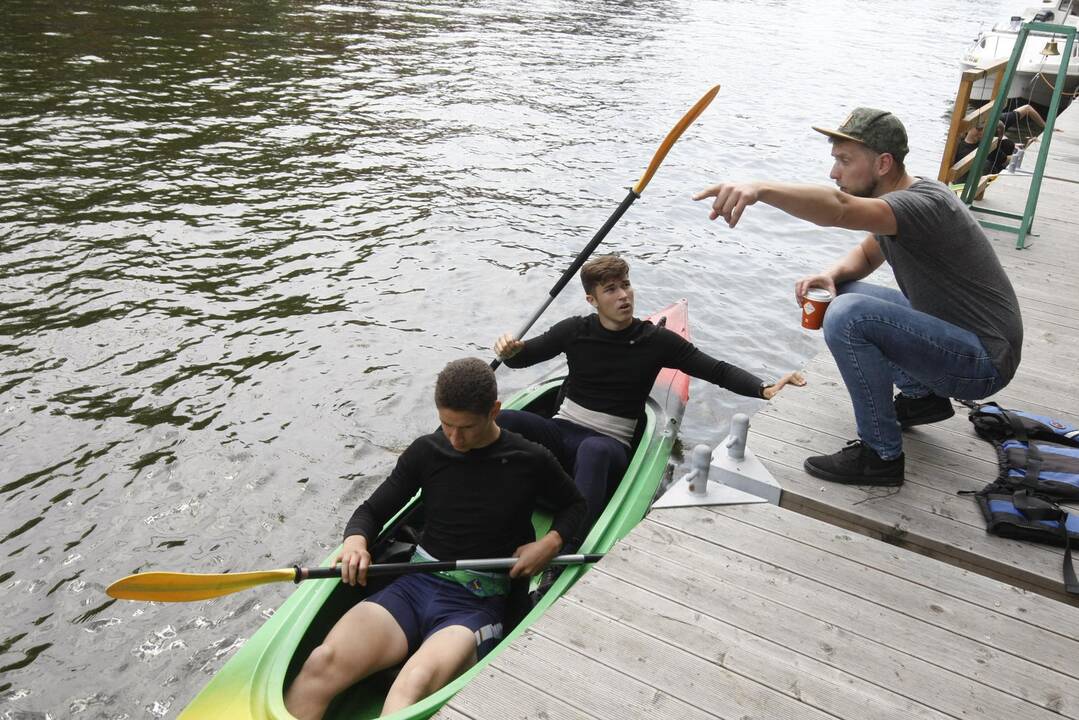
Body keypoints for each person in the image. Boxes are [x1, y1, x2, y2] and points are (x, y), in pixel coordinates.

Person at [694, 107, 1023, 487]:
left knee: (849, 314)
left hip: (983, 361)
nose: (834, 173)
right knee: (839, 295)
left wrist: (760, 190)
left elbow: (839, 209)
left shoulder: (921, 205)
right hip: (968, 342)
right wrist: (831, 275)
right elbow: (868, 255)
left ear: (883, 163)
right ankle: (922, 399)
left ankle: (881, 455)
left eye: (844, 161)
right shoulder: (904, 199)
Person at [284, 358, 586, 720]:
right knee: (322, 662)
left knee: (412, 685)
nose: (455, 439)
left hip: (477, 603)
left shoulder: (530, 458)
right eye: (446, 425)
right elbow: (370, 511)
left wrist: (550, 543)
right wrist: (355, 542)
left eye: (467, 427)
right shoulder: (427, 452)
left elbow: (575, 506)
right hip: (414, 587)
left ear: (494, 411)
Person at [493, 255, 805, 532]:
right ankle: (484, 494)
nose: (623, 295)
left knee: (593, 452)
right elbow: (523, 357)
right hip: (561, 431)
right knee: (504, 419)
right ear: (592, 300)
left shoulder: (656, 341)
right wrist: (507, 350)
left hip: (609, 443)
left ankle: (570, 542)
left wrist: (764, 388)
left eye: (626, 285)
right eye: (611, 289)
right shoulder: (574, 330)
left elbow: (716, 370)